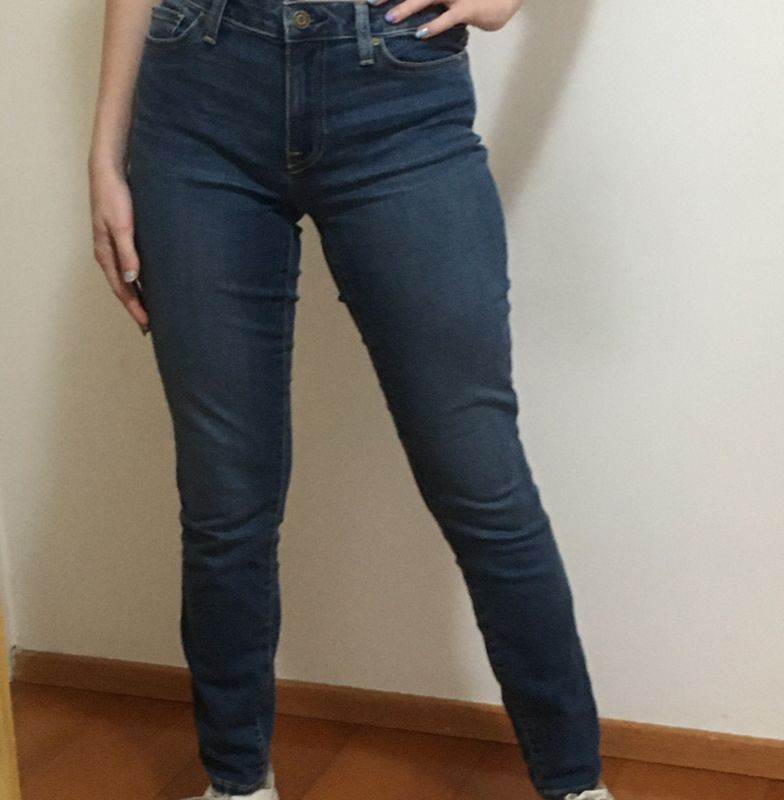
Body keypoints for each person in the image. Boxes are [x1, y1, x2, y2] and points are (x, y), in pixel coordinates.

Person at [88, 0, 615, 798]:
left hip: (399, 93)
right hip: (198, 90)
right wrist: (105, 154)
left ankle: (573, 783)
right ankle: (236, 783)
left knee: (481, 479)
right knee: (225, 500)